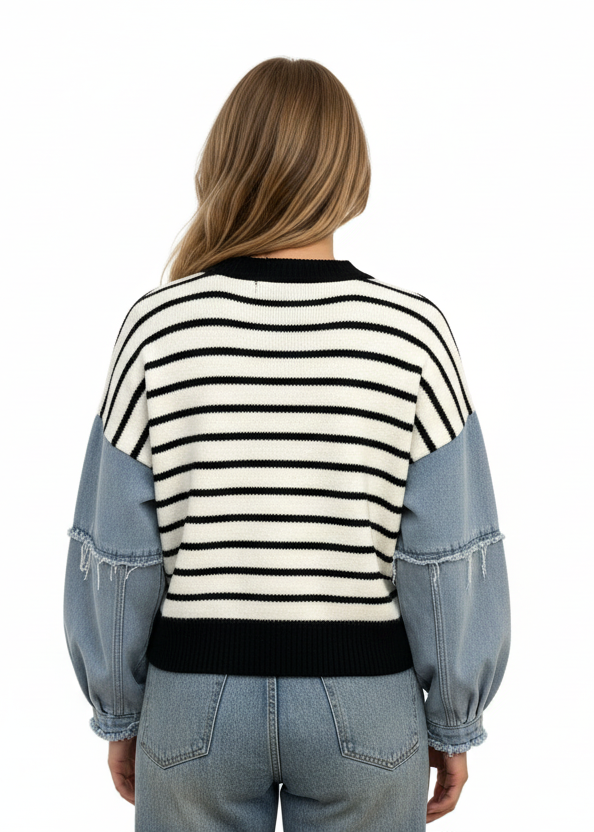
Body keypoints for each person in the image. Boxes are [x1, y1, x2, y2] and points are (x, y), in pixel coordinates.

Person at [63, 56, 511, 831]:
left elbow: (116, 553)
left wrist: (120, 709)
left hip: (193, 701)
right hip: (366, 703)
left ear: (224, 162)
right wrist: (455, 719)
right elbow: (447, 557)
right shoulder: (413, 335)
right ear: (349, 172)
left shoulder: (156, 329)